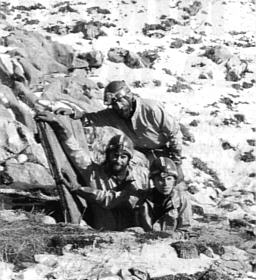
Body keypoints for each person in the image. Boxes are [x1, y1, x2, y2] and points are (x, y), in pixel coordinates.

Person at [35, 111, 148, 231]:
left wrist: (79, 190)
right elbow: (74, 151)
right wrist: (59, 125)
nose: (118, 160)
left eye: (123, 157)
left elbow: (112, 200)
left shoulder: (140, 176)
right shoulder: (94, 173)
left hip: (134, 234)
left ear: (129, 158)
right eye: (114, 155)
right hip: (103, 233)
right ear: (108, 155)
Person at [55, 80, 184, 182]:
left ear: (128, 97)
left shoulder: (151, 108)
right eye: (114, 105)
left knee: (172, 182)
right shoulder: (114, 114)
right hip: (141, 154)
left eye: (120, 102)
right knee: (125, 172)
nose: (119, 108)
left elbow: (175, 133)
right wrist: (72, 113)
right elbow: (91, 118)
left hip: (166, 151)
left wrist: (176, 161)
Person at [135, 157, 192, 233]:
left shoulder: (181, 199)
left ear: (174, 181)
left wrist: (173, 236)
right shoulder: (142, 198)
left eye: (169, 179)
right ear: (153, 182)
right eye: (160, 180)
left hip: (169, 242)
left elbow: (185, 229)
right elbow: (134, 226)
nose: (165, 184)